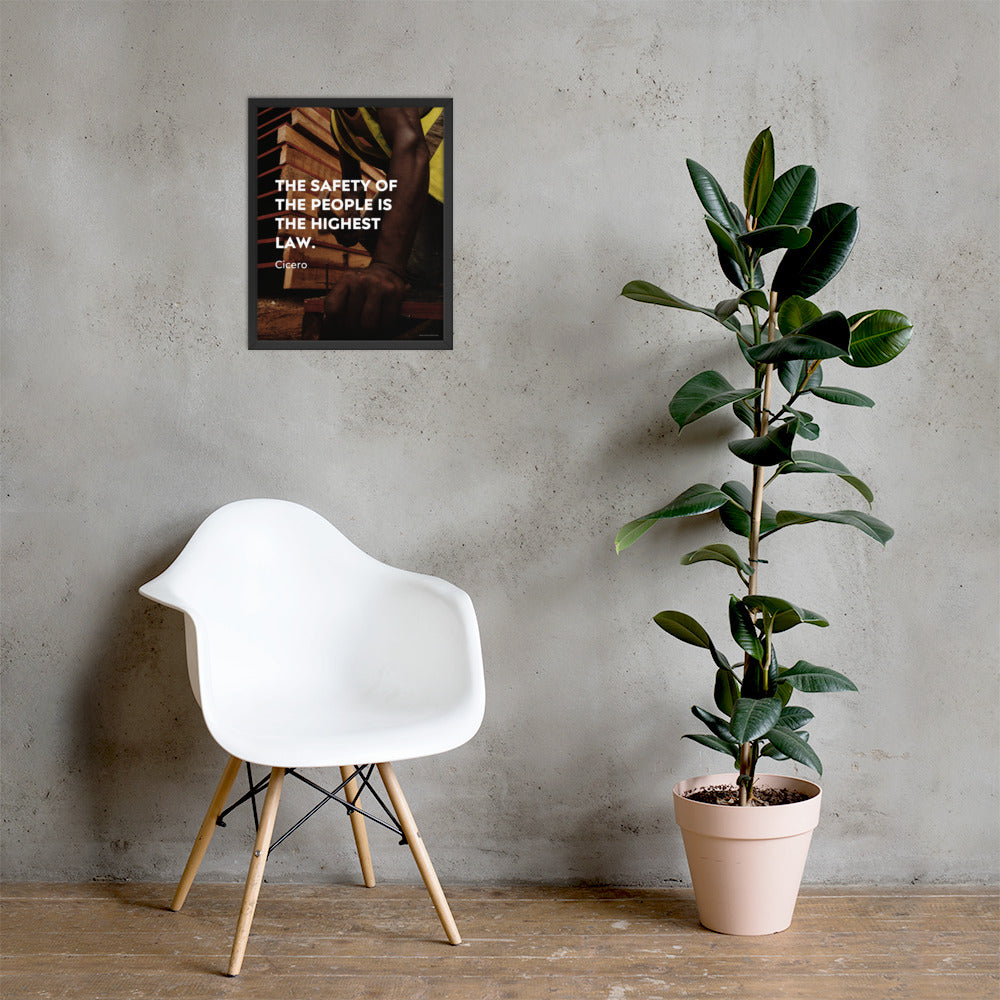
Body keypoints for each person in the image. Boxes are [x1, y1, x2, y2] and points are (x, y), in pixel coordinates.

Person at [322, 106, 444, 337]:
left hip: (444, 181)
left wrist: (387, 267)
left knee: (410, 265)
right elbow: (352, 186)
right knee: (371, 230)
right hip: (412, 179)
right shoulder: (337, 123)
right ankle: (423, 278)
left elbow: (410, 145)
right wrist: (351, 222)